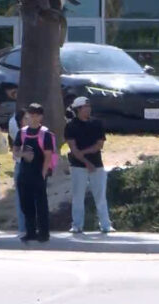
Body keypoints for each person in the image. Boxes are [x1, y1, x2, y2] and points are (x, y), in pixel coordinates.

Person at [65, 97, 113, 234]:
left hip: (97, 164)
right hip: (77, 166)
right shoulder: (71, 126)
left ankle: (105, 224)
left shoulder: (97, 123)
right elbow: (73, 149)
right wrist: (87, 163)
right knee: (78, 196)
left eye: (89, 106)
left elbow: (99, 145)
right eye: (85, 107)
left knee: (100, 195)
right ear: (78, 109)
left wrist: (84, 154)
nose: (88, 109)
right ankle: (77, 225)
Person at [12, 103, 55, 243]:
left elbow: (48, 155)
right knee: (26, 205)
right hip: (24, 174)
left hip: (38, 174)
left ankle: (44, 233)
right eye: (31, 115)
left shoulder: (45, 134)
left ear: (41, 117)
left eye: (37, 115)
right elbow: (15, 151)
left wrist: (43, 173)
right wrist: (23, 154)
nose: (34, 118)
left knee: (41, 205)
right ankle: (30, 232)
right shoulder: (22, 132)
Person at [8, 107, 27, 235]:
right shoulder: (18, 133)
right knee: (22, 200)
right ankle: (23, 228)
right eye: (26, 117)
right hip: (21, 167)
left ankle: (29, 227)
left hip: (32, 168)